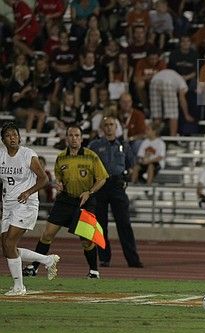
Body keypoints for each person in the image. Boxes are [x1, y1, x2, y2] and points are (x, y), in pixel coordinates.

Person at [23, 124, 107, 279]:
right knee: (47, 234)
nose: (74, 138)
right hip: (65, 200)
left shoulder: (91, 156)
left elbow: (102, 179)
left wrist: (90, 192)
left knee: (87, 240)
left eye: (77, 135)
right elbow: (59, 180)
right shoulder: (61, 157)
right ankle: (33, 268)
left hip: (85, 201)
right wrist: (59, 185)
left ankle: (94, 271)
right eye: (71, 135)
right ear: (67, 138)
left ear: (81, 138)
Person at [0, 123, 58, 295]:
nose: (12, 137)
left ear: (19, 137)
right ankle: (47, 260)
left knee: (10, 242)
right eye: (8, 135)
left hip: (26, 203)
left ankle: (19, 287)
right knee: (7, 247)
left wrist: (28, 192)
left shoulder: (27, 154)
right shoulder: (1, 155)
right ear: (3, 140)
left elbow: (44, 179)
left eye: (15, 134)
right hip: (9, 203)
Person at [88, 116, 144, 268]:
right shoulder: (94, 145)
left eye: (111, 125)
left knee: (124, 223)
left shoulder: (124, 145)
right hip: (100, 185)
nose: (109, 127)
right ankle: (104, 258)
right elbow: (87, 166)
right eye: (106, 125)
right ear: (102, 127)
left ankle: (133, 259)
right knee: (100, 225)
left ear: (116, 127)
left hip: (118, 185)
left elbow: (133, 164)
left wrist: (128, 178)